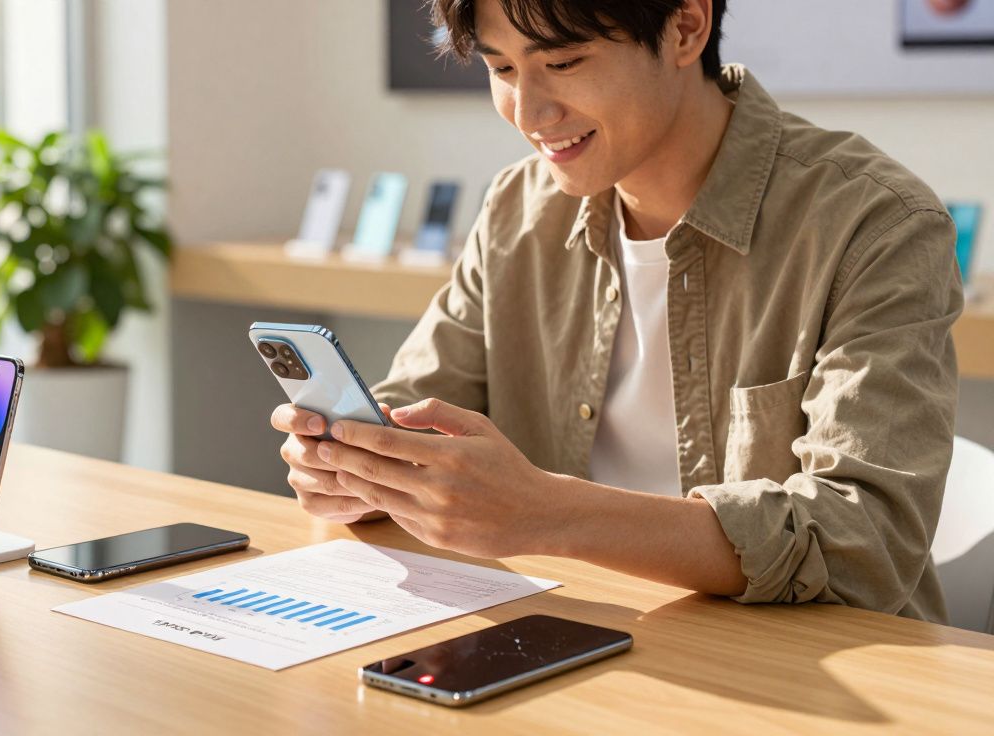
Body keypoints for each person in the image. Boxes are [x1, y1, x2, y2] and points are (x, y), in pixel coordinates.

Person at [271, 0, 963, 621]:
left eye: (564, 62)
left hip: (808, 674)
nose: (530, 112)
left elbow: (863, 541)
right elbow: (418, 404)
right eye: (503, 68)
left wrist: (546, 513)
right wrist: (357, 466)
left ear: (686, 26)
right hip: (579, 636)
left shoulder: (874, 223)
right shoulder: (518, 208)